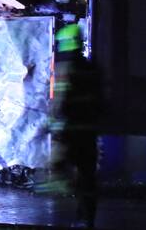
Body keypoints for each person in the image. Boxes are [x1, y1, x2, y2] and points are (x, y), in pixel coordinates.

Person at [45, 23, 101, 228]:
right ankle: (86, 218)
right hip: (89, 133)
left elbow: (60, 102)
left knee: (59, 168)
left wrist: (51, 123)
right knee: (87, 177)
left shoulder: (65, 68)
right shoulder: (92, 68)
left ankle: (68, 202)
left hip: (70, 131)